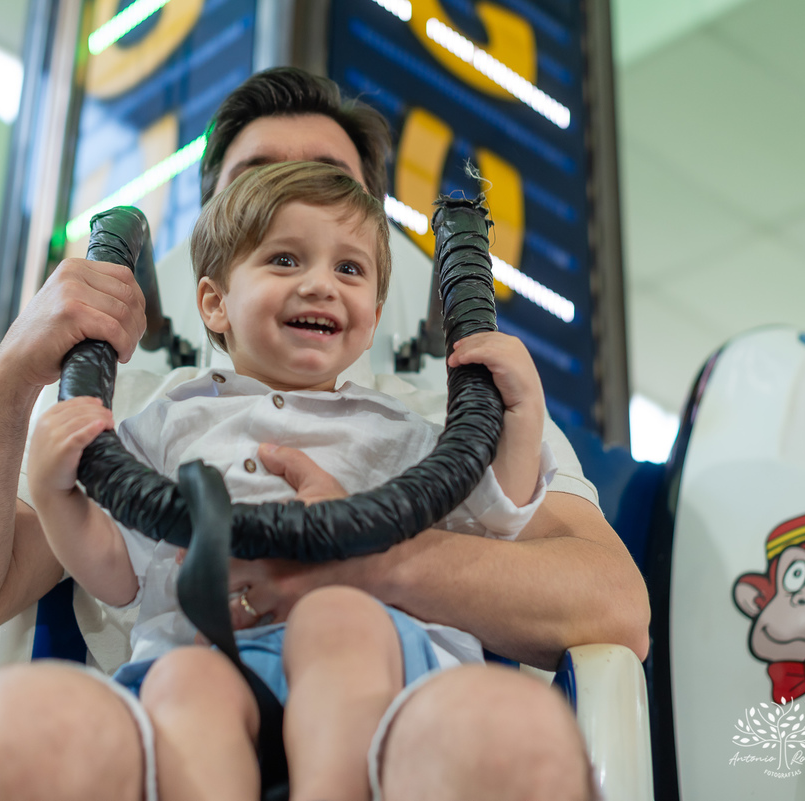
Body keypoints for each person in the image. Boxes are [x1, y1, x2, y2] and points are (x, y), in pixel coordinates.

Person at [0, 67, 648, 800]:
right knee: (16, 730)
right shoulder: (133, 412)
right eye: (262, 192)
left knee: (504, 726)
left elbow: (599, 592)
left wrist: (361, 559)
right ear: (209, 269)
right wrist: (17, 371)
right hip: (188, 677)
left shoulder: (446, 412)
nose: (305, 238)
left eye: (329, 189)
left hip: (390, 686)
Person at [28, 162, 558, 801]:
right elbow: (118, 573)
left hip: (377, 673)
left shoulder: (405, 430)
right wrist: (57, 492)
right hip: (208, 650)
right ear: (215, 303)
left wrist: (521, 421)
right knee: (182, 682)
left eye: (350, 269)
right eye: (284, 260)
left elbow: (487, 527)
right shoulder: (167, 423)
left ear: (373, 318)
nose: (320, 286)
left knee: (339, 619)